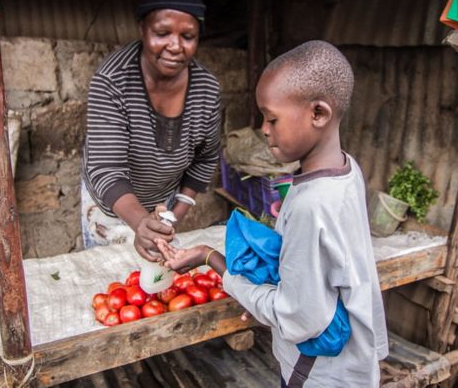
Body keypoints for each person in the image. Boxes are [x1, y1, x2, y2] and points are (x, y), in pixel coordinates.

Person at [158, 41, 389, 387]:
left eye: (272, 118)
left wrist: (211, 259)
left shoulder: (312, 205)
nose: (264, 129)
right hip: (351, 363)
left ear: (319, 114)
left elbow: (297, 318)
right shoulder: (346, 169)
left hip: (318, 375)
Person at [81, 0, 221, 260]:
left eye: (188, 36)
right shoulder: (113, 81)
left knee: (155, 284)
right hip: (111, 208)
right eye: (162, 33)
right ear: (143, 27)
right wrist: (138, 222)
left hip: (162, 204)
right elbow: (106, 169)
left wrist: (172, 216)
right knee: (111, 282)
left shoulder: (207, 89)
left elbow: (205, 159)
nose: (175, 46)